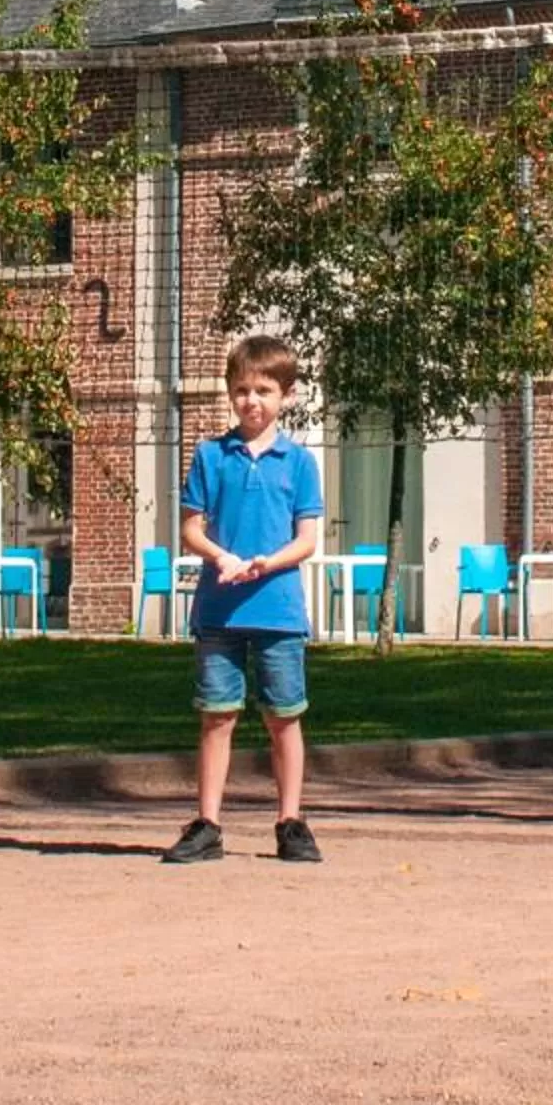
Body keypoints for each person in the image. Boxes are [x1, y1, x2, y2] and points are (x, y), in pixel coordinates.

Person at [163, 335, 327, 864]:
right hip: (219, 608)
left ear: (287, 395)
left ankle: (291, 821)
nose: (251, 401)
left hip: (278, 608)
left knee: (283, 716)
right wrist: (221, 558)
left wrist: (266, 563)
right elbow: (191, 528)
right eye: (241, 390)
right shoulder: (211, 456)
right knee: (217, 715)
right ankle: (208, 823)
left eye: (263, 390)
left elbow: (307, 539)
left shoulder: (299, 462)